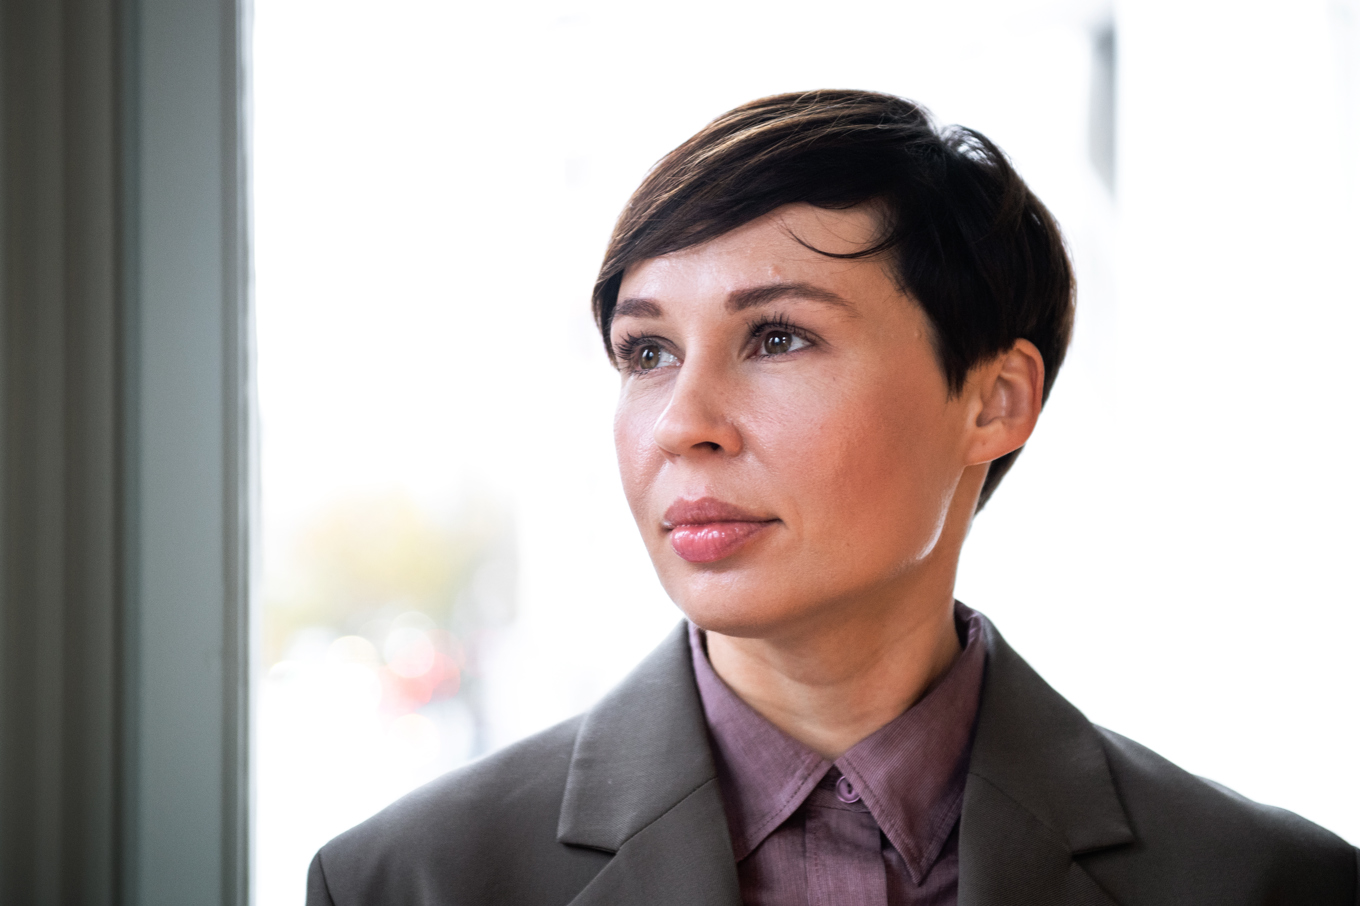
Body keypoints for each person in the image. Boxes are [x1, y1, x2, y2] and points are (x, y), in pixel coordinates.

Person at [305, 90, 1358, 905]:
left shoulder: (1264, 883)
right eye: (647, 351)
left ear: (993, 401)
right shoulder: (413, 881)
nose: (683, 421)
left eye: (777, 337)